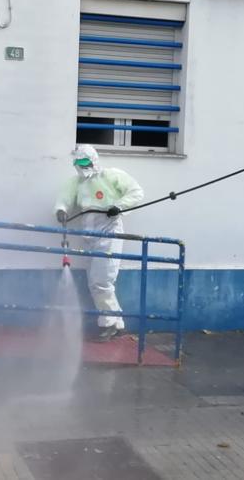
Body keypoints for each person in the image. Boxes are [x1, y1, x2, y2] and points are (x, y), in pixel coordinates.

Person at [54, 144, 144, 342]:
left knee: (102, 281)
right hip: (89, 235)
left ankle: (110, 323)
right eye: (78, 163)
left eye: (85, 161)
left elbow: (136, 192)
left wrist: (118, 207)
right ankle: (118, 324)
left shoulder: (111, 176)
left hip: (109, 231)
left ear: (94, 160)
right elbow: (64, 198)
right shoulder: (76, 183)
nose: (82, 166)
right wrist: (61, 209)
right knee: (96, 283)